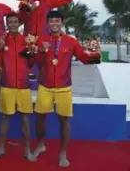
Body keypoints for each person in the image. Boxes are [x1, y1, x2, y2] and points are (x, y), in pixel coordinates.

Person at [32, 10, 101, 167]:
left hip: (64, 87)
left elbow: (83, 58)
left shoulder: (71, 41)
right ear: (47, 23)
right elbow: (36, 62)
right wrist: (41, 50)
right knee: (40, 119)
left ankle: (63, 153)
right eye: (51, 21)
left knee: (64, 121)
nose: (54, 24)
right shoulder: (41, 40)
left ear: (61, 23)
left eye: (57, 21)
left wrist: (95, 56)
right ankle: (41, 145)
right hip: (45, 85)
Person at [0, 13, 35, 161]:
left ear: (19, 23)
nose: (13, 24)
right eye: (10, 22)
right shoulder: (2, 40)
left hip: (24, 86)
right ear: (6, 24)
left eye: (15, 22)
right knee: (5, 118)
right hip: (7, 86)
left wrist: (32, 53)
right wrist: (0, 48)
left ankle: (27, 150)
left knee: (25, 120)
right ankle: (1, 148)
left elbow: (30, 64)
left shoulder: (26, 40)